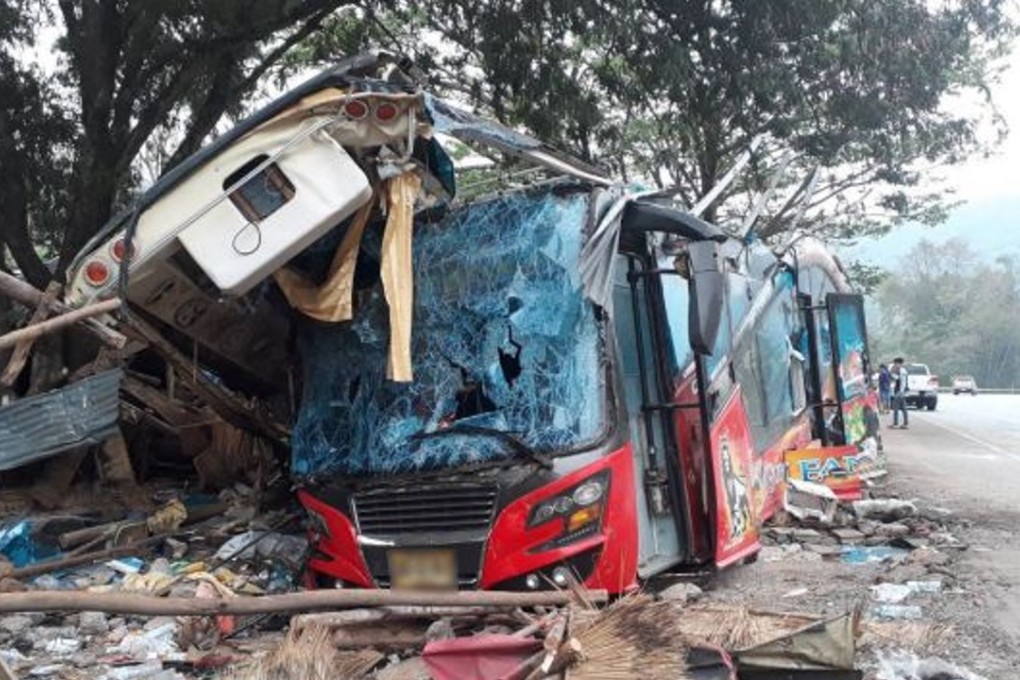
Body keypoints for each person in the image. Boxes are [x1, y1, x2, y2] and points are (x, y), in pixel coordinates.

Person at [890, 357, 909, 429]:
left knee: (896, 407)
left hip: (899, 392)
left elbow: (901, 381)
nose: (895, 365)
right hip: (900, 392)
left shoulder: (902, 371)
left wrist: (891, 373)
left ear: (899, 363)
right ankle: (905, 423)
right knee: (903, 408)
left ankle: (896, 423)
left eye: (895, 364)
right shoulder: (901, 371)